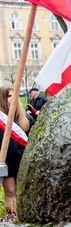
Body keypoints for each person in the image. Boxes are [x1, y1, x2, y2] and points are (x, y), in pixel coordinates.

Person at [0, 84, 31, 215]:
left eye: (14, 95)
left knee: (24, 191)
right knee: (11, 191)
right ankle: (12, 217)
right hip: (6, 162)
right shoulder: (1, 120)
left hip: (23, 160)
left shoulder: (26, 119)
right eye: (9, 96)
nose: (12, 99)